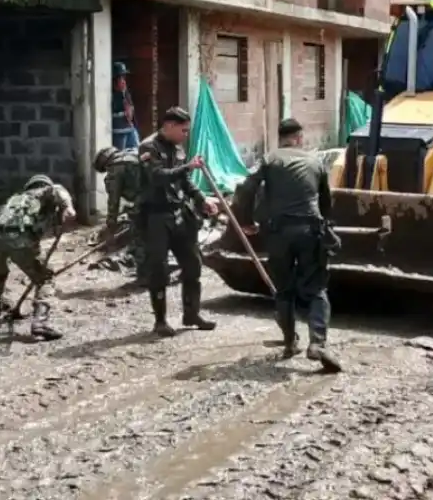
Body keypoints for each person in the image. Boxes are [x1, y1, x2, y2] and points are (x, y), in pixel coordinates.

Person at [237, 118, 341, 372]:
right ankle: (318, 343)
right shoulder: (315, 161)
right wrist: (326, 225)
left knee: (284, 290)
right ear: (298, 137)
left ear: (281, 137)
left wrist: (246, 221)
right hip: (310, 232)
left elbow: (246, 188)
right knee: (316, 289)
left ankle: (288, 343)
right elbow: (326, 202)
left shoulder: (269, 159)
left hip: (278, 233)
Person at [137, 106, 220, 337]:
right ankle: (160, 321)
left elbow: (185, 182)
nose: (186, 135)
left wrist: (202, 200)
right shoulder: (148, 147)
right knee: (159, 270)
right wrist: (187, 166)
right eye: (183, 130)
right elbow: (157, 177)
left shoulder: (178, 149)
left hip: (179, 213)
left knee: (193, 264)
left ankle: (191, 313)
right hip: (155, 216)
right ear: (169, 126)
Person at [0, 174, 76, 338]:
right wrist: (68, 207)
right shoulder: (43, 191)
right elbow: (57, 189)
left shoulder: (15, 199)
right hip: (19, 240)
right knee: (45, 278)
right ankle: (40, 323)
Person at [94, 146, 144, 271]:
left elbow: (113, 201)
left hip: (146, 199)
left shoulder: (115, 168)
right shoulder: (133, 153)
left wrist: (111, 225)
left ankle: (140, 267)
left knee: (139, 233)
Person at [112, 62, 140, 150]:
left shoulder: (126, 92)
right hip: (119, 132)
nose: (123, 81)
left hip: (130, 129)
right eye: (121, 78)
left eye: (124, 77)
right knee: (120, 156)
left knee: (136, 152)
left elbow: (130, 110)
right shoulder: (112, 95)